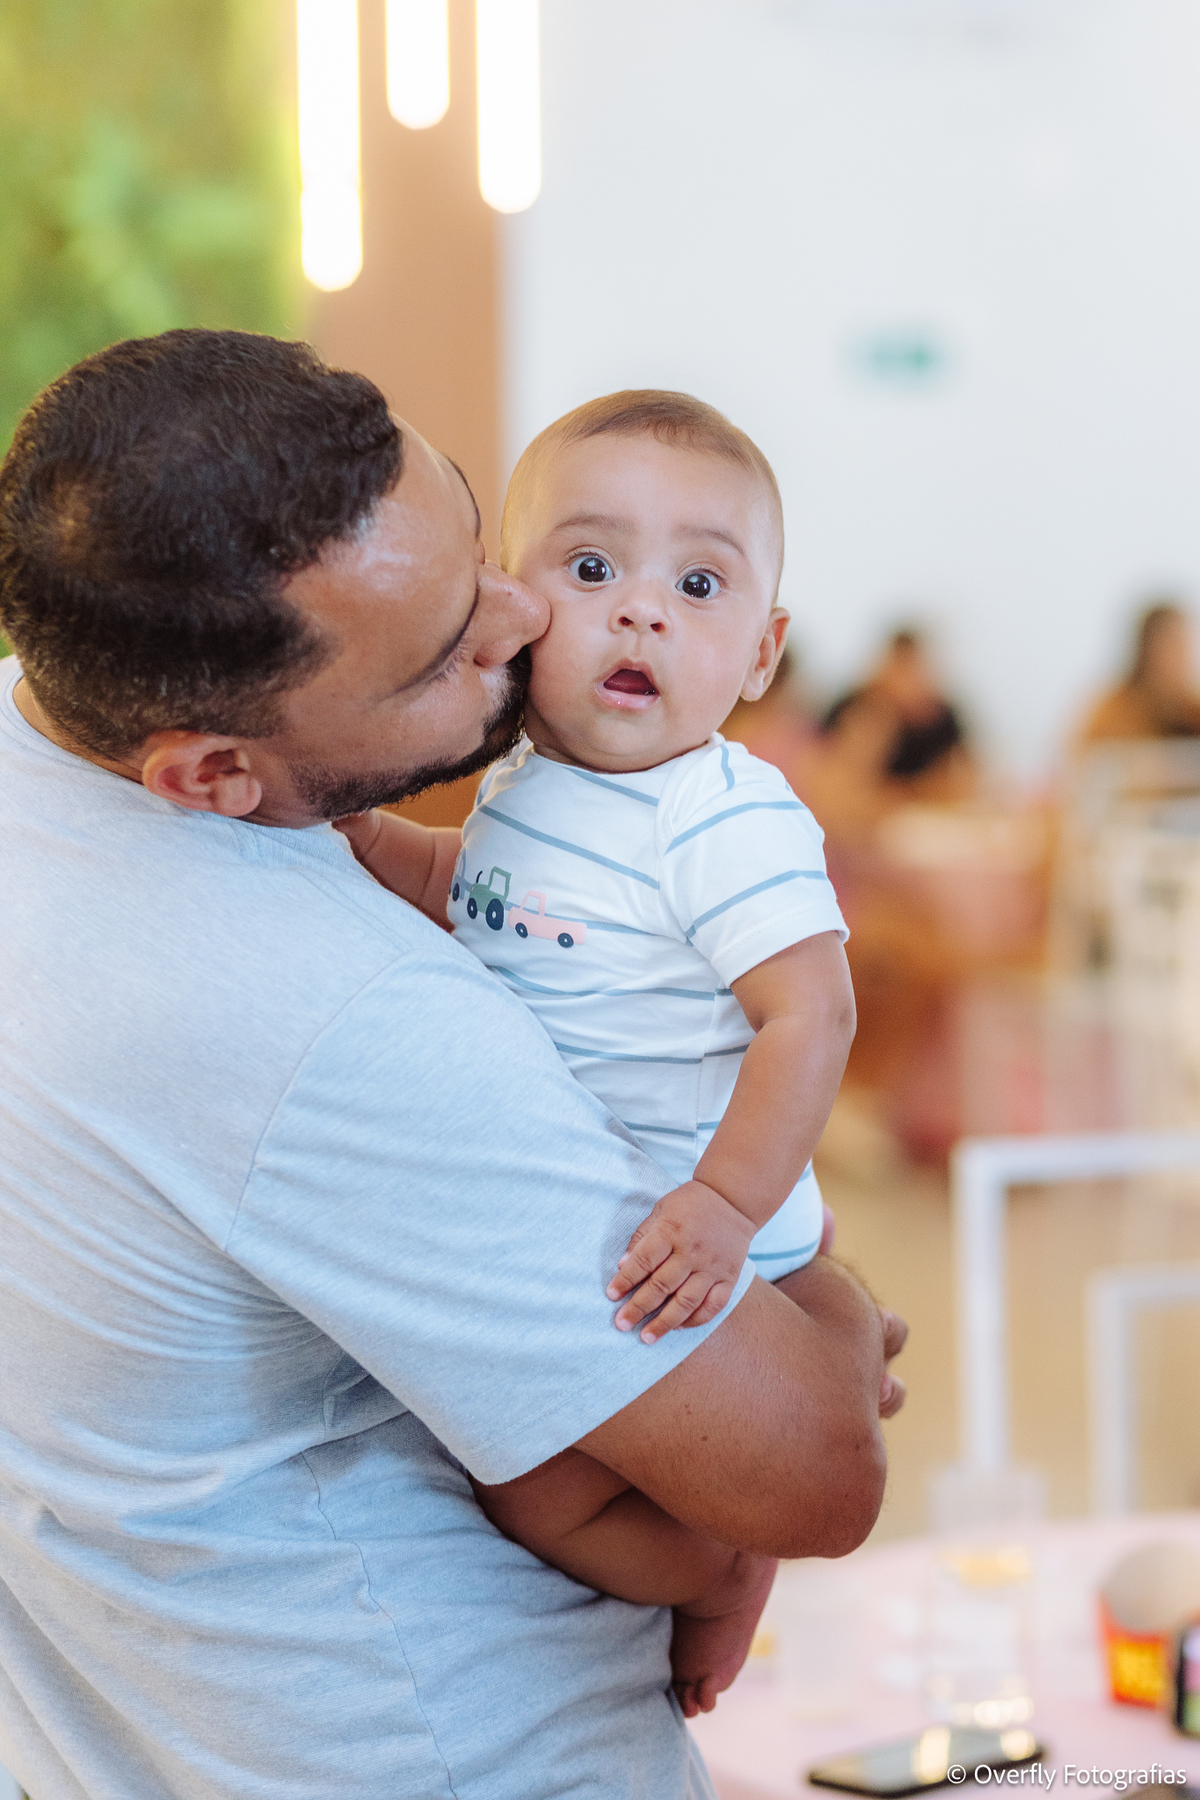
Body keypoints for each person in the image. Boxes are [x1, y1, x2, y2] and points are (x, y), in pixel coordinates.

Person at [0, 330, 906, 1800]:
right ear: (215, 769)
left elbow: (806, 1004)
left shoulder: (43, 738)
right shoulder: (335, 1016)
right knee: (553, 1477)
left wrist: (767, 1233)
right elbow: (822, 1467)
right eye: (446, 652)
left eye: (478, 543)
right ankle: (710, 1580)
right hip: (451, 1756)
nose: (520, 617)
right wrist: (846, 1324)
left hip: (139, 1742)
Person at [334, 390, 854, 1711]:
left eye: (696, 582)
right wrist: (375, 848)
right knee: (529, 1480)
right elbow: (490, 892)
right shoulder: (522, 783)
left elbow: (814, 1011)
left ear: (761, 654)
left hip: (703, 1236)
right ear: (512, 603)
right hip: (610, 1219)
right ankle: (714, 1535)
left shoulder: (718, 814)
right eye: (591, 566)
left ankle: (715, 1573)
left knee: (539, 1490)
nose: (642, 611)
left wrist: (729, 1208)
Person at [1075, 598, 1200, 744]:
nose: (1179, 657)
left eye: (1183, 645)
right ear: (1145, 650)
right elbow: (1085, 757)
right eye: (1170, 646)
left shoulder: (1191, 709)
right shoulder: (1114, 710)